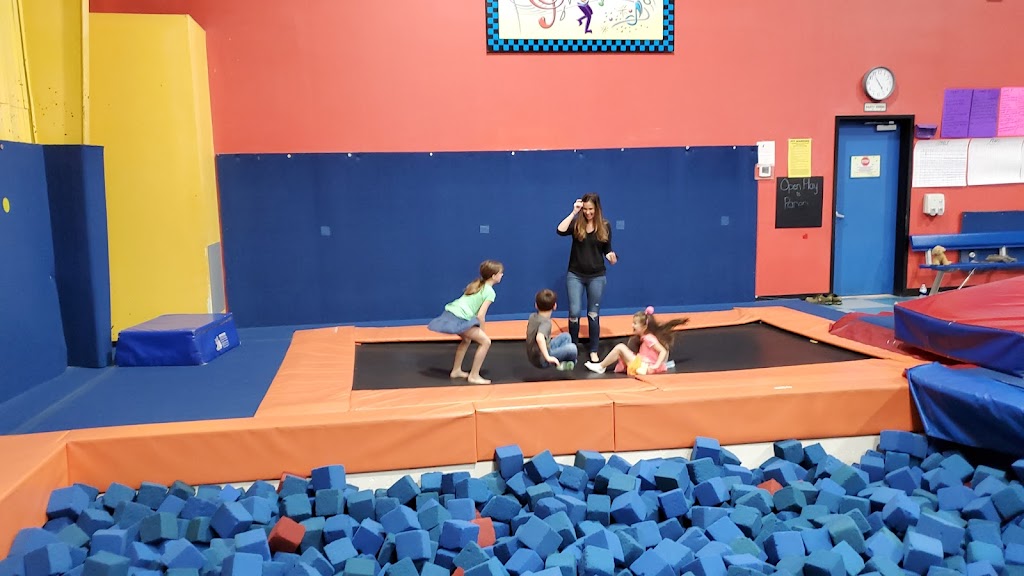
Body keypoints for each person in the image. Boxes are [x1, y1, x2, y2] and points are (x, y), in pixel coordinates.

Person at [556, 193, 617, 364]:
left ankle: (593, 350)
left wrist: (611, 257)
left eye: (591, 209)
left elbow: (607, 249)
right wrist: (574, 212)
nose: (588, 212)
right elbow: (560, 230)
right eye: (585, 209)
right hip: (575, 274)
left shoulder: (605, 226)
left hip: (597, 276)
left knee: (593, 314)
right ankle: (573, 348)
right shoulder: (577, 224)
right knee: (574, 311)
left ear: (597, 209)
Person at [427, 260, 504, 384]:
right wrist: (482, 332)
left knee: (466, 339)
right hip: (459, 318)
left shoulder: (476, 284)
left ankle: (456, 370)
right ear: (494, 276)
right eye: (500, 273)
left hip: (450, 313)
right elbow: (481, 315)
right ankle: (474, 375)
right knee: (485, 342)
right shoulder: (490, 292)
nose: (502, 275)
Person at [584, 306, 687, 375]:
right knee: (621, 350)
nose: (632, 325)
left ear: (644, 327)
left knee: (620, 347)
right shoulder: (645, 338)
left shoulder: (649, 338)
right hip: (642, 366)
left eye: (635, 323)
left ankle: (601, 366)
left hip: (644, 367)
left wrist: (656, 365)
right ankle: (601, 366)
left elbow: (663, 351)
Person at [526, 289, 578, 371]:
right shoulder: (546, 323)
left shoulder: (532, 316)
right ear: (555, 306)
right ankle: (564, 363)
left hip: (533, 354)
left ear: (536, 305)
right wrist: (548, 357)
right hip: (541, 360)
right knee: (573, 348)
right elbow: (539, 338)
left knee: (566, 336)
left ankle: (562, 362)